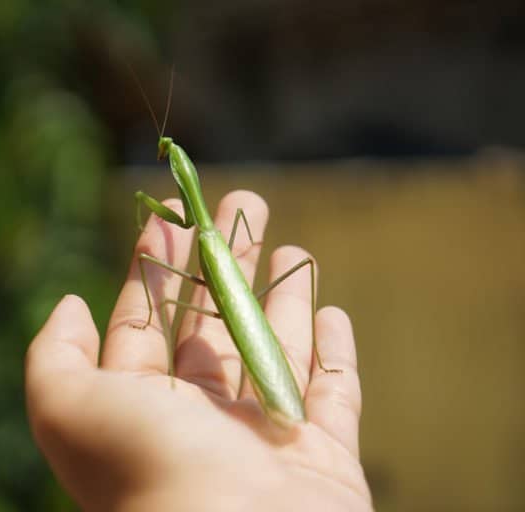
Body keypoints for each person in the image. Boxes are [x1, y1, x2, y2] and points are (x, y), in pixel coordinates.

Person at [26, 190, 372, 511]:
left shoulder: (208, 241)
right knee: (299, 267)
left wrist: (163, 359)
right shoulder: (214, 236)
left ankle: (155, 323)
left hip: (232, 306)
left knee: (161, 274)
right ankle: (316, 371)